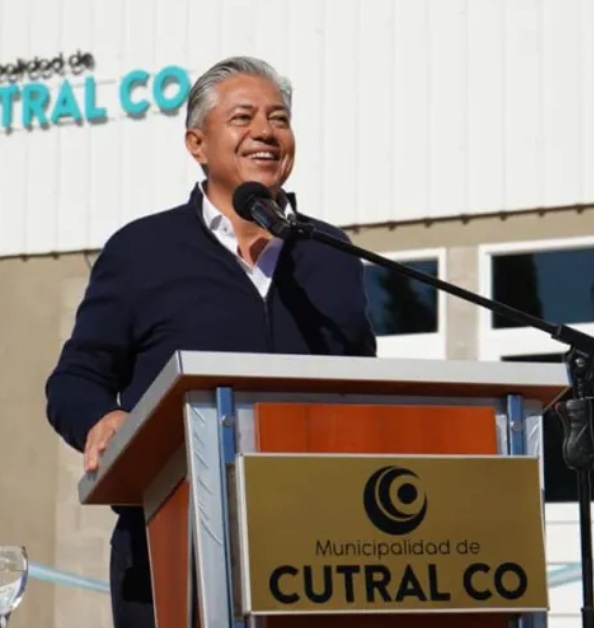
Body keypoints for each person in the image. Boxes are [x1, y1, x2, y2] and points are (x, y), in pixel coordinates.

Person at [44, 56, 377, 628]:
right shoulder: (142, 251)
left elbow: (363, 386)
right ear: (196, 144)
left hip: (316, 545)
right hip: (172, 542)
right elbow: (75, 379)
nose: (266, 132)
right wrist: (102, 418)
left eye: (279, 118)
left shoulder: (330, 253)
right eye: (243, 117)